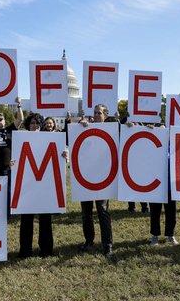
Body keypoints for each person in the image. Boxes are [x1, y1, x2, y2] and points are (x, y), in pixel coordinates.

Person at [17, 113, 68, 258]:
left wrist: (64, 155)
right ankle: (25, 250)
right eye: (32, 123)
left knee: (45, 219)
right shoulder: (20, 139)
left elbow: (59, 161)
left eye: (38, 124)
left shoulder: (51, 139)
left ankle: (46, 250)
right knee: (26, 219)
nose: (35, 126)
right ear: (28, 125)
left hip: (44, 185)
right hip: (26, 184)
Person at [78, 104, 114, 258]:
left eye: (99, 113)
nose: (96, 115)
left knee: (103, 211)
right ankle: (89, 240)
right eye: (94, 113)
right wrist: (81, 126)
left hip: (103, 177)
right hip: (85, 176)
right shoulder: (85, 128)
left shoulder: (112, 130)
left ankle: (107, 245)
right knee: (86, 213)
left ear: (106, 115)